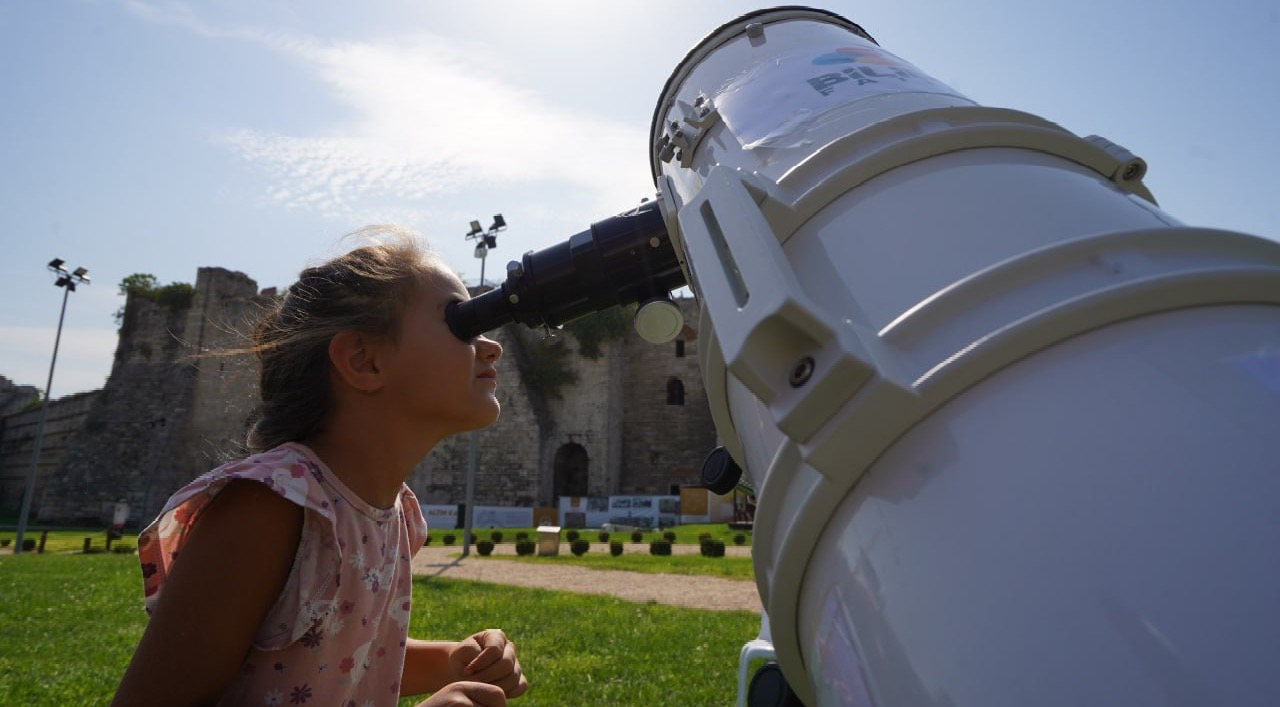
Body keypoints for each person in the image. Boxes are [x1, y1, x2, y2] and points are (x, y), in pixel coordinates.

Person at [112, 234, 527, 707]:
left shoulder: (392, 514)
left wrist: (453, 660)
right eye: (463, 323)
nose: (491, 346)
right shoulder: (269, 508)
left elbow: (342, 657)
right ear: (364, 360)